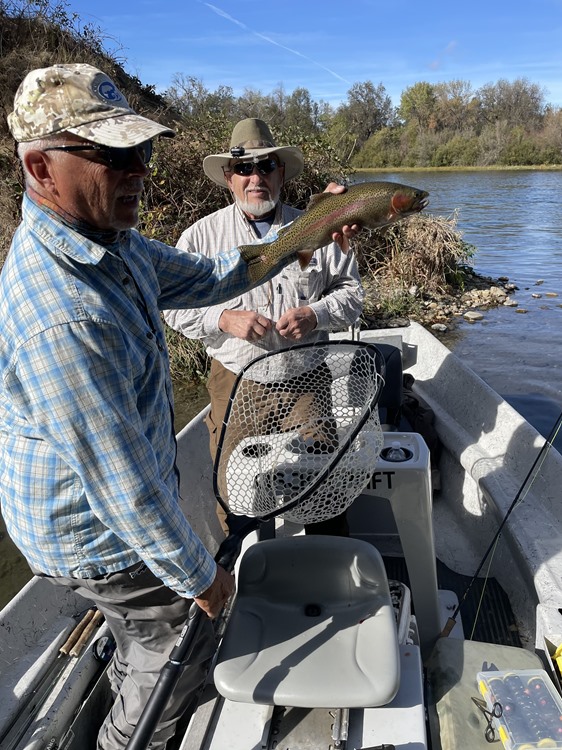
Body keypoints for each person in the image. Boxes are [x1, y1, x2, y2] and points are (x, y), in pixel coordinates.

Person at [0, 64, 358, 750]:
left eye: (142, 151)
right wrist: (201, 578)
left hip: (114, 493)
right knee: (176, 638)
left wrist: (311, 231)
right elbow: (122, 487)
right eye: (112, 155)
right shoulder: (63, 315)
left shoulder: (117, 244)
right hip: (89, 531)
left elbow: (221, 274)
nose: (139, 170)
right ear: (41, 167)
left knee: (169, 606)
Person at [164, 118, 364, 536]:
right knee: (234, 494)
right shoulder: (200, 238)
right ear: (228, 177)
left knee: (321, 483)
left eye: (266, 167)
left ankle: (329, 567)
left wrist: (316, 315)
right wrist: (221, 317)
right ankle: (245, 569)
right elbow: (171, 306)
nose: (256, 178)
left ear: (282, 173)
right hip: (234, 382)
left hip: (308, 377)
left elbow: (352, 296)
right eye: (244, 169)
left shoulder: (324, 224)